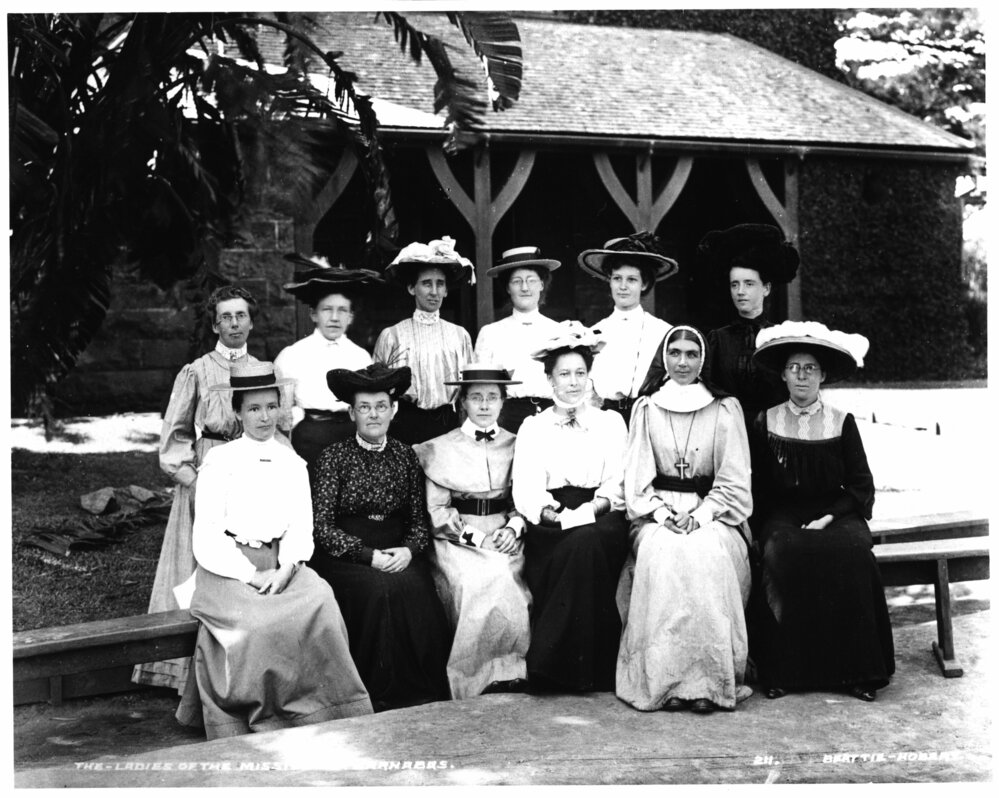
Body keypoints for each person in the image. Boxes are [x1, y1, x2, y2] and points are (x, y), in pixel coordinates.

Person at [174, 362, 372, 739]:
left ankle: (323, 709)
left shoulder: (293, 462)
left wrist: (287, 566)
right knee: (255, 625)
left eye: (270, 407)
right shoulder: (220, 461)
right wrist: (251, 573)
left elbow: (301, 525)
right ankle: (258, 714)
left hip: (280, 561)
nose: (264, 417)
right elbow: (208, 536)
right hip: (228, 566)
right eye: (253, 408)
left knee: (321, 601)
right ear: (237, 412)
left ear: (281, 409)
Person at [750, 320, 894, 702]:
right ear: (782, 373)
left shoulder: (841, 422)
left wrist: (829, 517)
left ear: (823, 375)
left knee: (852, 554)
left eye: (810, 368)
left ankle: (858, 672)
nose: (801, 375)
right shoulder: (766, 420)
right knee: (783, 552)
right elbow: (759, 486)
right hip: (782, 514)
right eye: (794, 367)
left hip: (837, 512)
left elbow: (860, 484)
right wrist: (757, 526)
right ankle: (784, 672)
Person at [135, 285, 268, 692]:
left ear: (250, 321)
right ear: (215, 323)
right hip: (207, 472)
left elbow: (276, 429)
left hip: (251, 474)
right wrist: (193, 481)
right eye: (225, 317)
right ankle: (187, 676)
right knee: (197, 569)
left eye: (240, 315)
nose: (233, 324)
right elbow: (173, 437)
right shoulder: (197, 370)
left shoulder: (263, 369)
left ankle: (244, 668)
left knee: (248, 559)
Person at [616, 326, 754, 714]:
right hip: (658, 512)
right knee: (662, 555)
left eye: (691, 354)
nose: (682, 362)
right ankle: (666, 682)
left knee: (706, 556)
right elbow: (636, 479)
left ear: (703, 360)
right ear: (664, 358)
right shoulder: (647, 407)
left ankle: (709, 682)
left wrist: (702, 515)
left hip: (714, 513)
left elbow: (734, 479)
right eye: (674, 353)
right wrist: (661, 514)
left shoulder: (725, 408)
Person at [310, 363, 452, 711]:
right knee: (378, 589)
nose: (373, 415)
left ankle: (421, 691)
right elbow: (322, 526)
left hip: (397, 548)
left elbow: (420, 522)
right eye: (364, 408)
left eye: (381, 407)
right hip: (348, 554)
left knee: (416, 586)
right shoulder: (333, 457)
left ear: (394, 410)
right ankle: (378, 692)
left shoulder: (406, 456)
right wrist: (366, 555)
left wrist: (408, 550)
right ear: (351, 412)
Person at [512, 321, 630, 693]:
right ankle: (578, 667)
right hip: (551, 519)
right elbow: (528, 489)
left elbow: (619, 481)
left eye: (580, 373)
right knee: (573, 545)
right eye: (564, 374)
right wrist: (550, 514)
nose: (574, 382)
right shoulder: (533, 427)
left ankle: (555, 665)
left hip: (601, 514)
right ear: (550, 379)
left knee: (586, 543)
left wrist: (594, 508)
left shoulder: (610, 423)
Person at [413, 365, 532, 698]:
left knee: (507, 577)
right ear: (462, 401)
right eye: (475, 397)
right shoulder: (438, 448)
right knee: (474, 580)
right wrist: (477, 538)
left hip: (504, 532)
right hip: (457, 538)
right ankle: (470, 678)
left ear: (503, 402)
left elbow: (526, 497)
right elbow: (436, 511)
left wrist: (514, 526)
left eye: (492, 397)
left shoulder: (519, 444)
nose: (484, 405)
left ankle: (510, 669)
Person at [274, 253, 378, 481]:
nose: (334, 317)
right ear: (313, 314)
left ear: (350, 317)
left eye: (342, 310)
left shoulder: (360, 357)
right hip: (311, 437)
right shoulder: (292, 355)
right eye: (326, 309)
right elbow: (281, 408)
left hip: (351, 437)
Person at [373, 236, 474, 445]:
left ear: (446, 290)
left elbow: (468, 389)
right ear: (412, 288)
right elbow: (378, 392)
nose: (434, 292)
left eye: (440, 284)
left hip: (448, 425)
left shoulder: (459, 335)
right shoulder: (392, 335)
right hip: (405, 425)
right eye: (427, 284)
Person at [700, 223, 800, 428]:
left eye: (749, 283)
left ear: (766, 288)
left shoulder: (780, 338)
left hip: (774, 436)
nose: (740, 291)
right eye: (734, 284)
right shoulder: (717, 339)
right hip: (728, 435)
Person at [578, 231, 677, 427]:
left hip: (650, 420)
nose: (623, 286)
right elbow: (588, 390)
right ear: (609, 280)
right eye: (617, 278)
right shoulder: (594, 333)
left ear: (644, 283)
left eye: (631, 280)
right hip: (606, 422)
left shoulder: (663, 332)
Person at [473, 246, 562, 433]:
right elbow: (481, 386)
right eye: (517, 281)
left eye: (531, 280)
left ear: (542, 285)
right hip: (507, 419)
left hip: (553, 417)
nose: (524, 288)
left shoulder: (559, 331)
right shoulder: (491, 333)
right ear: (507, 287)